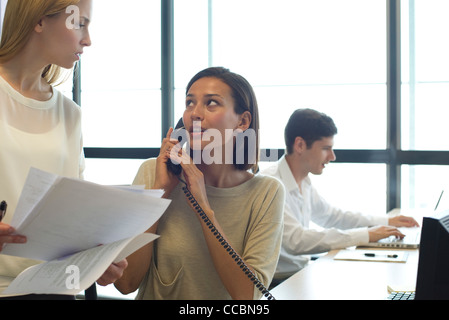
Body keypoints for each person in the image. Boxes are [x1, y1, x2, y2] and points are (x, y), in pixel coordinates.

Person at [115, 67, 285, 300]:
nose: (194, 113)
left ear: (242, 121)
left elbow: (250, 297)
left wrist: (203, 208)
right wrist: (159, 194)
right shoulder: (153, 173)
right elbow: (126, 283)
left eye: (212, 103)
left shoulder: (266, 192)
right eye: (189, 103)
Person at [0, 0, 127, 299]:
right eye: (79, 23)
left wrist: (97, 256)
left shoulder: (70, 115)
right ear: (40, 21)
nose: (88, 39)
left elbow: (72, 217)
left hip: (58, 290)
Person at [262, 108, 419, 285]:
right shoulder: (271, 183)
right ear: (300, 145)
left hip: (300, 273)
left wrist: (386, 221)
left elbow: (332, 216)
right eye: (326, 148)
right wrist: (366, 234)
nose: (332, 156)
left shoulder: (304, 181)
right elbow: (296, 241)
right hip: (276, 282)